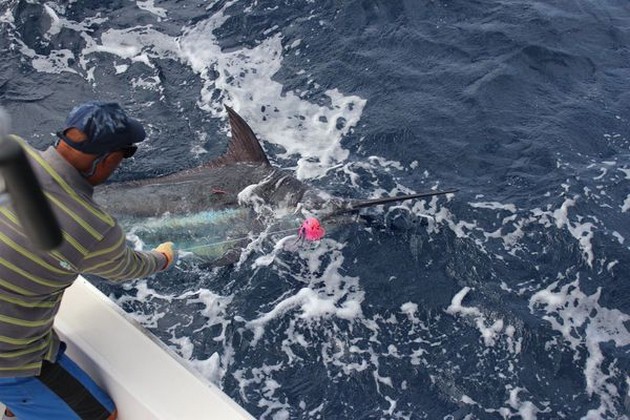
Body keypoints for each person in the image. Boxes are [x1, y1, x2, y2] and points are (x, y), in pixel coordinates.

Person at [0, 101, 175, 419]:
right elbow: (128, 267)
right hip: (9, 359)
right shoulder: (95, 228)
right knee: (102, 415)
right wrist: (163, 258)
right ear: (107, 158)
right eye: (126, 154)